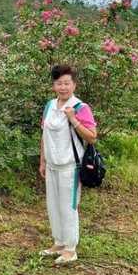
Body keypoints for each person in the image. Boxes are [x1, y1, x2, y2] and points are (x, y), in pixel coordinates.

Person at [39, 64, 97, 264]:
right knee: (53, 205)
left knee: (68, 206)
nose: (63, 87)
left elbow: (92, 137)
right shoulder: (49, 105)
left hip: (70, 167)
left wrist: (73, 119)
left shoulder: (81, 107)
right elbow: (44, 134)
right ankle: (59, 242)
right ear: (54, 85)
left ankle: (70, 249)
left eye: (67, 83)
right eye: (58, 83)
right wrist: (43, 160)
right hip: (52, 164)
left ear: (74, 85)